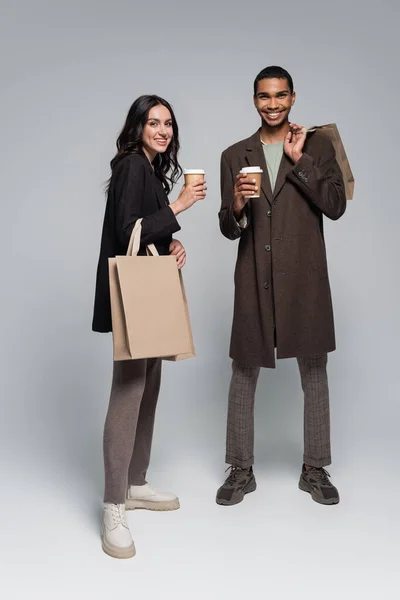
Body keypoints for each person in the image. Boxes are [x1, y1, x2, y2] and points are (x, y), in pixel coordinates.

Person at [216, 66, 346, 507]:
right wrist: (234, 204)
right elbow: (229, 228)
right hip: (255, 275)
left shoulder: (318, 146)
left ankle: (315, 468)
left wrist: (300, 160)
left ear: (292, 98)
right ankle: (240, 469)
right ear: (254, 100)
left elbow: (335, 206)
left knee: (314, 372)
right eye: (263, 97)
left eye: (280, 96)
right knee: (244, 370)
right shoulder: (234, 154)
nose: (272, 104)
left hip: (305, 277)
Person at [92, 95, 206, 558]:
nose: (163, 130)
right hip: (134, 295)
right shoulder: (131, 166)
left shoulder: (148, 169)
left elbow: (145, 228)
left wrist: (173, 242)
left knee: (149, 386)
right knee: (129, 391)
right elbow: (125, 231)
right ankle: (112, 504)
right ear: (137, 126)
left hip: (150, 292)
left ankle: (136, 483)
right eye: (154, 122)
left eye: (169, 124)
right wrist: (179, 205)